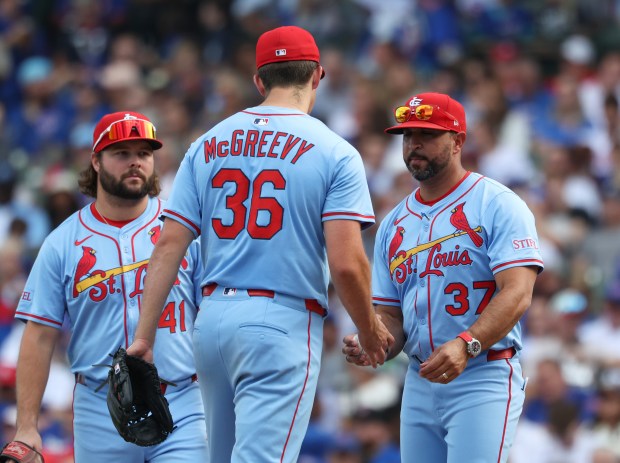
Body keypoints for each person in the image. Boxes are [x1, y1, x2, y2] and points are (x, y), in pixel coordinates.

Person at [127, 25, 393, 463]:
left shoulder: (207, 143)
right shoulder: (334, 150)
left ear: (259, 80)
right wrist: (369, 331)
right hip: (279, 322)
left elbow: (169, 245)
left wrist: (143, 336)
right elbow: (347, 265)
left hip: (211, 322)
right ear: (317, 76)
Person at [343, 92, 544, 462]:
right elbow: (392, 317)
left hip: (483, 373)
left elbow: (517, 292)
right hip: (420, 380)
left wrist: (468, 343)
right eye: (408, 135)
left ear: (458, 142)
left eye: (427, 134)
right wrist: (375, 341)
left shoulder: (497, 203)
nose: (414, 144)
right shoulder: (393, 223)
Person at [10, 111, 208, 462]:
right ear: (96, 162)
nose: (135, 162)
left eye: (144, 153)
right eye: (122, 153)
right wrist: (27, 425)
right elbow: (39, 335)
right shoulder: (62, 243)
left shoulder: (183, 231)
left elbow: (214, 312)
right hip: (101, 407)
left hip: (182, 399)